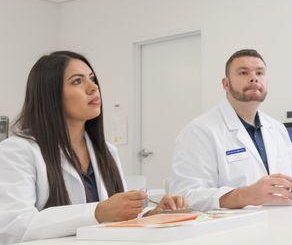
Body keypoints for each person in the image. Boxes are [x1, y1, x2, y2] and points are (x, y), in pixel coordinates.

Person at [0, 51, 188, 244]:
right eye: (77, 81)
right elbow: (12, 227)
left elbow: (114, 219)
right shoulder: (18, 151)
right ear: (50, 96)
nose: (93, 88)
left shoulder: (106, 152)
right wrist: (96, 212)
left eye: (92, 79)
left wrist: (152, 214)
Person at [170, 49, 292, 210]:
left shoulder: (276, 128)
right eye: (243, 72)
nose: (254, 77)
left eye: (259, 73)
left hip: (280, 225)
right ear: (225, 83)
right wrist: (246, 195)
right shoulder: (199, 131)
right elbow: (186, 196)